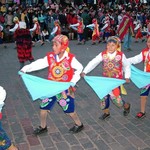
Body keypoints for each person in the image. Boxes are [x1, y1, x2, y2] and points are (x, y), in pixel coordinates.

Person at [20, 34, 84, 135]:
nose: (53, 47)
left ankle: (79, 124)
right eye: (53, 45)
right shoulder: (50, 57)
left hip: (63, 90)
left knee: (69, 111)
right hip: (50, 88)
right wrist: (26, 69)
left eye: (56, 45)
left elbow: (80, 68)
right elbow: (39, 63)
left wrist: (73, 81)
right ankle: (43, 126)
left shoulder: (70, 58)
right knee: (43, 109)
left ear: (63, 47)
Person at [81, 36, 131, 120]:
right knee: (104, 98)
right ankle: (106, 113)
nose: (110, 47)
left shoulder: (121, 55)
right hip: (105, 81)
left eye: (113, 45)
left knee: (117, 101)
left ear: (117, 46)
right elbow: (94, 62)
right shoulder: (103, 54)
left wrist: (127, 76)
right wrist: (85, 71)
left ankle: (126, 106)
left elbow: (127, 66)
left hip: (115, 81)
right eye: (108, 45)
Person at [128, 36, 150, 119]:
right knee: (143, 95)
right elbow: (136, 59)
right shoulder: (145, 52)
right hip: (146, 78)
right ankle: (142, 111)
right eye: (148, 42)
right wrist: (124, 61)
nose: (149, 44)